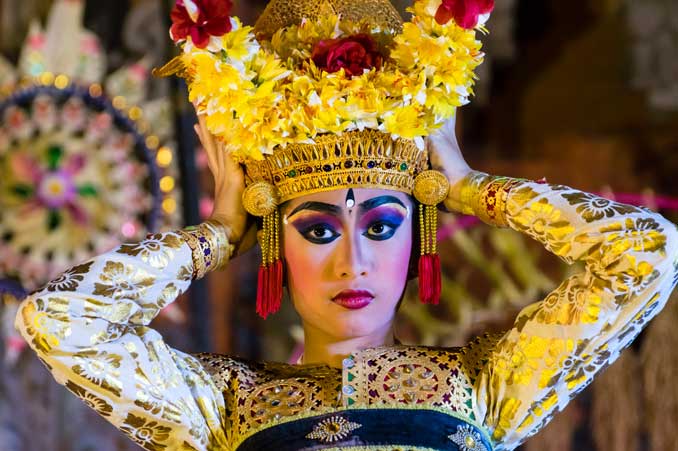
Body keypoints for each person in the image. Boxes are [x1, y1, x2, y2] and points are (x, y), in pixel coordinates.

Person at [15, 0, 678, 450]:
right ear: (274, 239)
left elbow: (648, 252)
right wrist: (217, 232)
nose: (353, 261)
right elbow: (58, 320)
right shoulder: (224, 406)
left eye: (384, 226)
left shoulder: (485, 390)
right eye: (320, 230)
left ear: (419, 233)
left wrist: (473, 188)